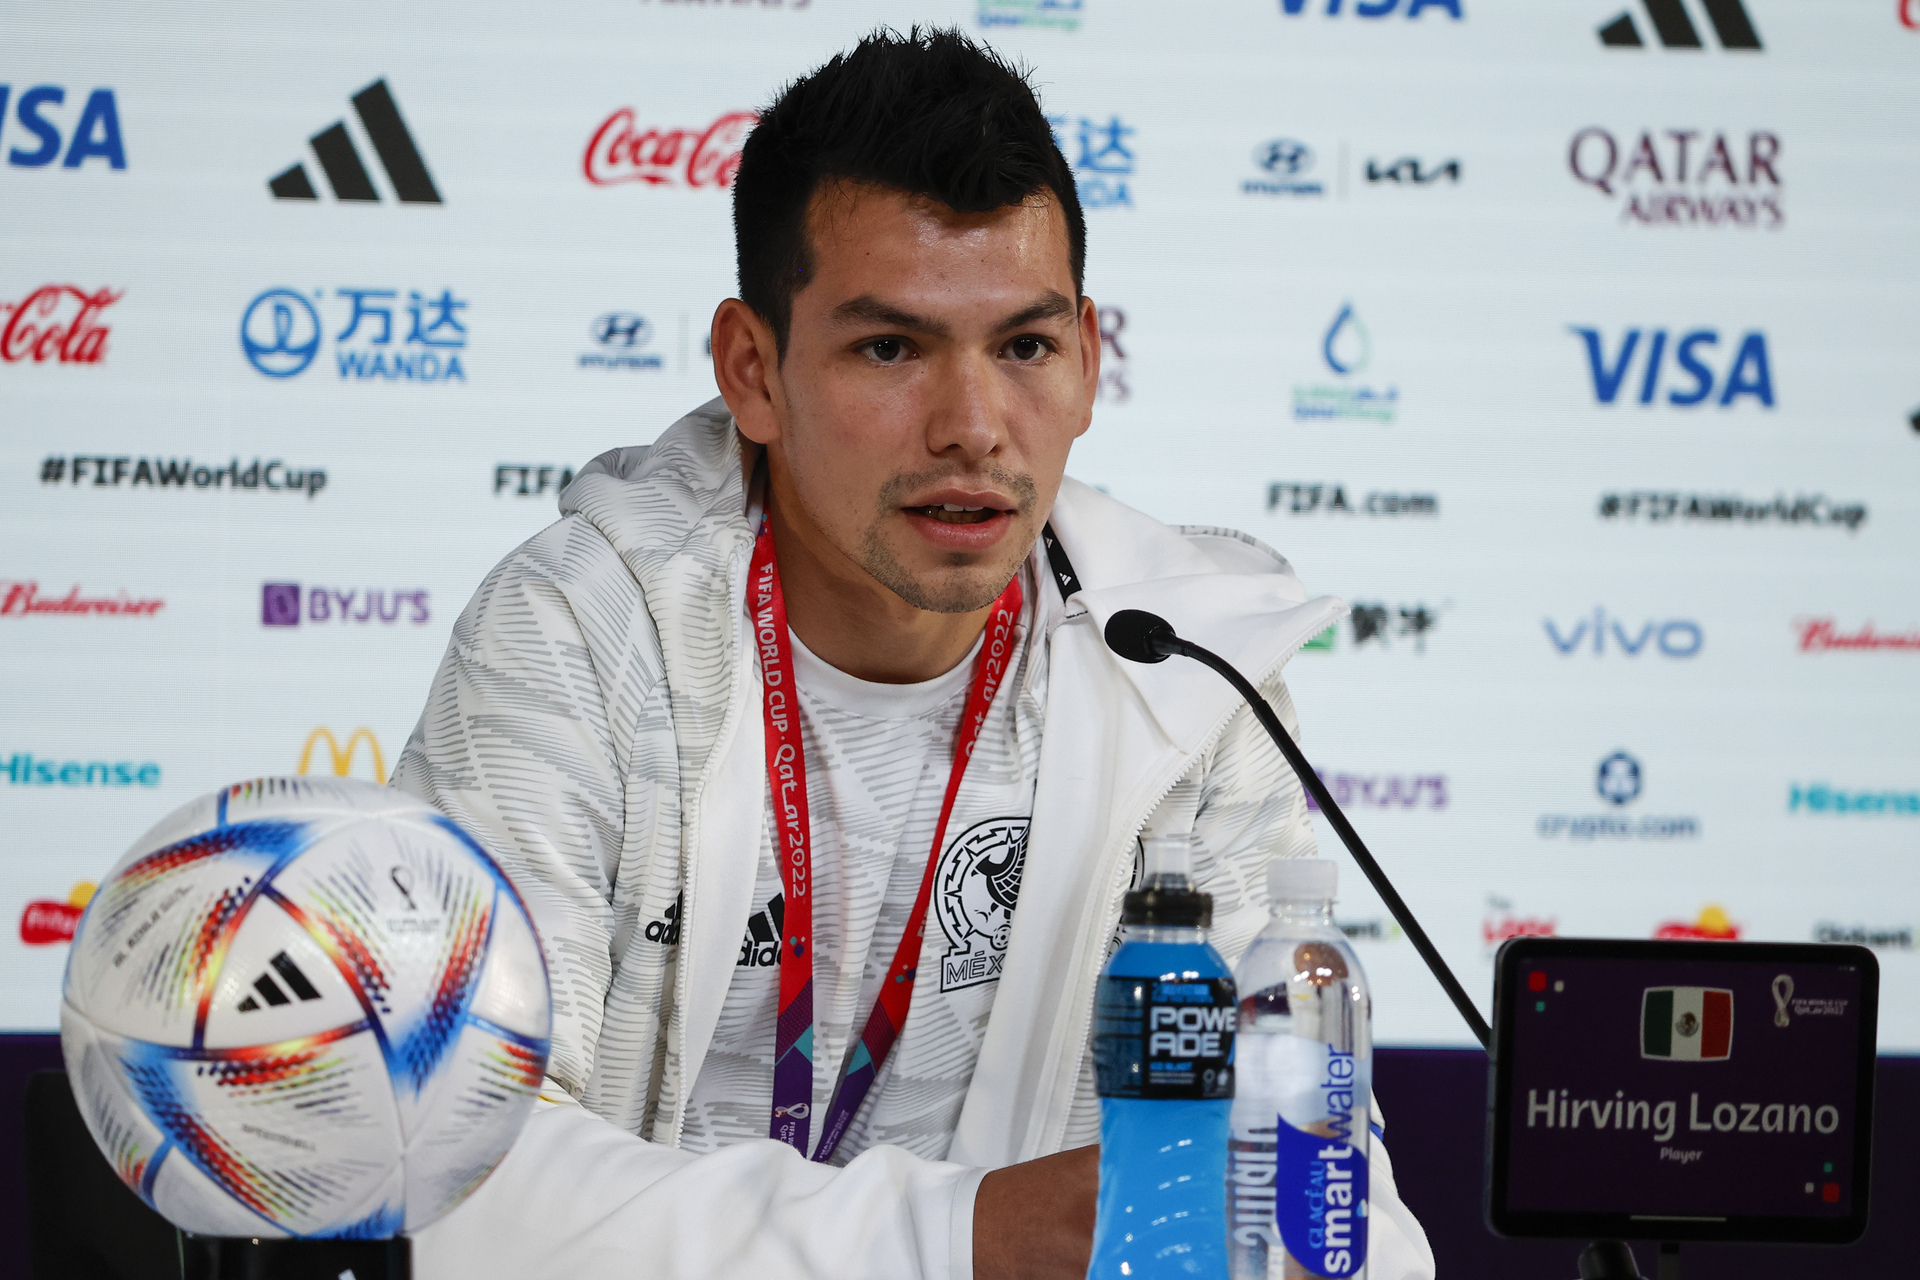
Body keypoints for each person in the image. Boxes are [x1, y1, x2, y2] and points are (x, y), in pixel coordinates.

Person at [400, 27, 1434, 1280]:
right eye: (891, 348)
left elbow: (1335, 1213)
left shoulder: (1191, 674)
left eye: (1025, 347)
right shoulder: (581, 631)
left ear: (1089, 362)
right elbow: (452, 1166)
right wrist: (967, 1235)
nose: (973, 427)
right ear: (753, 370)